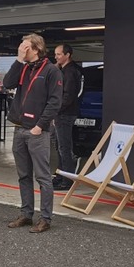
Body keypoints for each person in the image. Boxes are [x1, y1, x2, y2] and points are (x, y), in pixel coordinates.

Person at [4, 33, 63, 233]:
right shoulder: (23, 67)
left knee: (43, 177)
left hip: (37, 131)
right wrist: (18, 60)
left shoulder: (51, 71)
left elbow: (55, 102)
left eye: (25, 47)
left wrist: (40, 126)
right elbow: (7, 83)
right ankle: (26, 214)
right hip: (19, 128)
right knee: (23, 175)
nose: (22, 49)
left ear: (36, 49)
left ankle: (45, 218)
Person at [52, 44, 82, 191]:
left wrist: (55, 111)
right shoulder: (64, 70)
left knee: (64, 147)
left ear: (67, 55)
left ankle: (67, 180)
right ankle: (60, 176)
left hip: (64, 114)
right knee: (59, 146)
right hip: (62, 113)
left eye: (59, 54)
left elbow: (68, 96)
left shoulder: (70, 72)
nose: (56, 57)